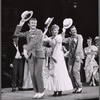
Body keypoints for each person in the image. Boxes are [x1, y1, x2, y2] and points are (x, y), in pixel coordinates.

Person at [13, 18, 45, 99]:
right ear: (29, 24)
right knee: (32, 74)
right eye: (32, 23)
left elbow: (34, 41)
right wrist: (20, 24)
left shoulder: (39, 32)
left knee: (38, 73)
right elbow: (16, 34)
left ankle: (41, 91)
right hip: (30, 55)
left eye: (35, 23)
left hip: (38, 54)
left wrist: (25, 49)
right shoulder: (27, 33)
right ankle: (37, 92)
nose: (34, 24)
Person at [43, 24, 73, 96]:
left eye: (57, 30)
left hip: (58, 56)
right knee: (53, 72)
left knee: (59, 71)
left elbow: (57, 46)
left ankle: (60, 90)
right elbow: (41, 39)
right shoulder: (50, 38)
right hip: (53, 56)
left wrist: (53, 56)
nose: (56, 31)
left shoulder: (59, 37)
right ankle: (55, 90)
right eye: (54, 30)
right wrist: (45, 31)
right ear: (52, 31)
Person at [62, 25, 84, 93]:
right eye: (72, 30)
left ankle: (79, 86)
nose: (74, 31)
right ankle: (75, 87)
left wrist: (77, 55)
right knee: (70, 71)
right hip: (71, 57)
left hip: (77, 56)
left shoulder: (79, 36)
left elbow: (79, 46)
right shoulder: (70, 38)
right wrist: (63, 31)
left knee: (75, 71)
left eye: (75, 29)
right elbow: (62, 40)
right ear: (70, 32)